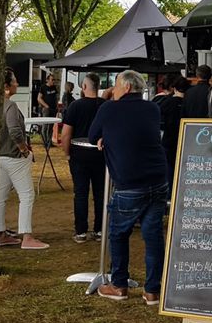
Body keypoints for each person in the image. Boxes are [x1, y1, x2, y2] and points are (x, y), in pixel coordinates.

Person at [88, 70, 168, 304]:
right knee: (153, 235)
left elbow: (94, 136)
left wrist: (105, 138)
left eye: (115, 86)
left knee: (118, 233)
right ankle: (153, 290)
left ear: (124, 87)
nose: (113, 90)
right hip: (158, 178)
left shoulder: (109, 109)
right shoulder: (153, 108)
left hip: (129, 181)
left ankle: (119, 284)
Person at [0, 69, 49, 250]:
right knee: (27, 195)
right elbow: (14, 130)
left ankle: (0, 233)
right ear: (6, 86)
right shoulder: (10, 106)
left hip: (0, 156)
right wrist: (24, 149)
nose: (17, 84)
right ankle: (27, 236)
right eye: (15, 81)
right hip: (14, 157)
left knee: (0, 197)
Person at [60, 73, 105, 243]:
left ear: (84, 87)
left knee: (80, 193)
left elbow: (65, 134)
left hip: (79, 154)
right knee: (101, 193)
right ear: (98, 86)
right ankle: (100, 230)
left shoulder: (75, 106)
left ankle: (80, 232)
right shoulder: (105, 106)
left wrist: (67, 153)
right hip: (101, 155)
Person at [160, 76, 189, 187]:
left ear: (175, 88)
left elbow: (161, 120)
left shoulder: (167, 102)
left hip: (168, 140)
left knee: (169, 168)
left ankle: (170, 194)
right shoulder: (188, 103)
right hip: (185, 139)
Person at [36, 73, 59, 148]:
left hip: (53, 109)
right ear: (47, 80)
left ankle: (49, 142)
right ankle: (44, 142)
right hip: (46, 109)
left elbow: (55, 97)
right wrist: (46, 105)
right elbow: (39, 98)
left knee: (51, 126)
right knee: (45, 126)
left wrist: (57, 106)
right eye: (52, 80)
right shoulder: (43, 87)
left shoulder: (54, 87)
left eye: (54, 80)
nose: (53, 81)